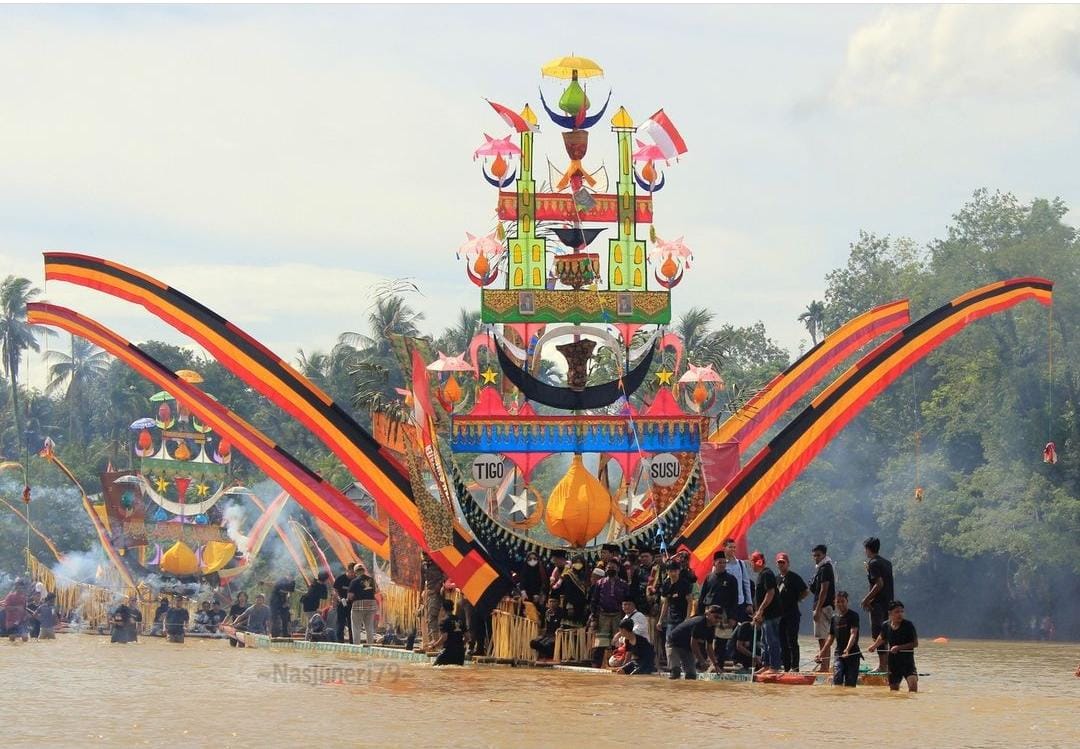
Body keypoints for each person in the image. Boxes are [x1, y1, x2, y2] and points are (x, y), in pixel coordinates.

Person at [697, 552, 739, 668]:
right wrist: (699, 615)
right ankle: (702, 664)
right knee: (704, 639)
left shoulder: (731, 579)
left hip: (724, 615)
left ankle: (719, 667)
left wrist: (733, 617)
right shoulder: (708, 577)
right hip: (708, 613)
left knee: (721, 641)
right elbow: (702, 597)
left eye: (724, 562)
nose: (722, 564)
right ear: (714, 563)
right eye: (719, 562)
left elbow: (734, 599)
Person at [868, 600, 918, 692]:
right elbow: (882, 637)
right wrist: (874, 646)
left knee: (913, 688)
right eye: (897, 612)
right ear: (890, 613)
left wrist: (898, 647)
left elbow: (915, 644)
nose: (900, 614)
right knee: (894, 691)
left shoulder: (908, 625)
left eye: (902, 611)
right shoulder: (885, 625)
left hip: (907, 662)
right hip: (893, 662)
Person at [860, 537, 894, 672]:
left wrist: (866, 599)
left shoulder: (873, 563)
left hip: (878, 604)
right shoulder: (887, 563)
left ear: (868, 549)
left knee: (878, 634)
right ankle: (888, 665)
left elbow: (879, 584)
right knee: (887, 633)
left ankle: (882, 666)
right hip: (889, 603)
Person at [589, 560, 630, 668]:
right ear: (606, 570)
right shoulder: (600, 583)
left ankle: (616, 664)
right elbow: (594, 600)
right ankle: (596, 665)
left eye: (613, 567)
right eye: (608, 567)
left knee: (617, 641)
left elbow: (627, 600)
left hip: (618, 615)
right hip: (603, 615)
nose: (610, 569)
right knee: (600, 643)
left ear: (618, 569)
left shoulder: (624, 584)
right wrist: (594, 616)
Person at [665, 605, 724, 680]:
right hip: (674, 644)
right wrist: (702, 661)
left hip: (687, 648)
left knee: (691, 676)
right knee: (675, 672)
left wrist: (716, 665)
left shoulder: (711, 628)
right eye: (716, 617)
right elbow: (693, 644)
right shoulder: (699, 623)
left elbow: (709, 648)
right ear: (707, 614)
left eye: (720, 618)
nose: (718, 620)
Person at [816, 590, 861, 687]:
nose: (840, 604)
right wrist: (821, 653)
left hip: (852, 653)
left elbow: (853, 633)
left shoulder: (853, 615)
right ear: (834, 603)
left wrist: (847, 649)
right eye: (838, 602)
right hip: (839, 653)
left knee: (850, 682)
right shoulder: (834, 618)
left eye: (843, 601)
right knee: (838, 675)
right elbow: (830, 638)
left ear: (847, 601)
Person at [750, 550, 783, 674]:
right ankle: (766, 664)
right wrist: (758, 613)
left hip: (771, 614)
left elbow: (770, 593)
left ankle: (775, 667)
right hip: (764, 615)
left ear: (758, 562)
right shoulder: (761, 575)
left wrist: (760, 610)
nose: (751, 565)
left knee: (772, 640)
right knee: (764, 641)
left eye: (752, 562)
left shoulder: (767, 573)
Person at [775, 552, 808, 671]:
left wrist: (797, 599)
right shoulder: (777, 578)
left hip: (792, 614)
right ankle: (787, 667)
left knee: (792, 640)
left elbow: (805, 591)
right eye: (779, 563)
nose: (781, 565)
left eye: (783, 562)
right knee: (782, 642)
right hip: (780, 615)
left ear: (788, 563)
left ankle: (795, 667)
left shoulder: (794, 577)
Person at [809, 544, 836, 672]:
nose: (816, 558)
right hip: (825, 606)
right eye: (814, 555)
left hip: (824, 607)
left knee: (822, 638)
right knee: (823, 638)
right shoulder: (822, 568)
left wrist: (818, 609)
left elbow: (824, 590)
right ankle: (825, 666)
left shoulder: (825, 568)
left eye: (818, 555)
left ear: (824, 555)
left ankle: (824, 668)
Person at [347, 561, 379, 646]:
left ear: (355, 572)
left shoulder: (354, 581)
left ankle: (356, 646)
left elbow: (350, 596)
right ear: (364, 571)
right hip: (371, 605)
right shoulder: (371, 580)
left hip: (358, 605)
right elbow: (376, 591)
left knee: (356, 627)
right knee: (369, 627)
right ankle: (370, 646)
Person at [552, 554, 590, 626]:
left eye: (580, 562)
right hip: (570, 605)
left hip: (580, 605)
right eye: (576, 562)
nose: (578, 564)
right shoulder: (568, 575)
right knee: (568, 627)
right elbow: (567, 591)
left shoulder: (584, 575)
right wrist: (569, 605)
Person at [722, 538, 754, 621]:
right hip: (725, 603)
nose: (733, 549)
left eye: (734, 547)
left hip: (740, 602)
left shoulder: (741, 564)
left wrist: (749, 603)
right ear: (724, 548)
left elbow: (746, 583)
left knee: (740, 629)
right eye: (730, 547)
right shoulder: (720, 564)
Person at [421, 553, 446, 650]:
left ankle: (436, 641)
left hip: (437, 593)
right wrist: (421, 593)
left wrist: (439, 586)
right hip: (428, 593)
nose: (425, 557)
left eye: (426, 554)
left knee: (432, 616)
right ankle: (434, 640)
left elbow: (445, 574)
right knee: (428, 618)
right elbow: (422, 580)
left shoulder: (438, 562)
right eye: (424, 555)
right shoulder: (423, 565)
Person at [432, 599, 468, 666]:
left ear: (442, 609)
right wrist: (460, 644)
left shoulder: (444, 621)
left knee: (434, 668)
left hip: (448, 651)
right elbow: (467, 637)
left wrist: (434, 646)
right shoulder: (460, 620)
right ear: (452, 608)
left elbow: (444, 637)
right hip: (460, 653)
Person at [530, 597, 564, 661]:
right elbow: (545, 625)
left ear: (558, 603)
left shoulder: (561, 612)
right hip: (547, 634)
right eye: (550, 602)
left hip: (557, 635)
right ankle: (541, 657)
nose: (552, 604)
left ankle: (549, 657)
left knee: (547, 644)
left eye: (554, 601)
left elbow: (562, 624)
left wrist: (560, 628)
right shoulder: (547, 612)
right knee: (533, 642)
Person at [332, 564, 357, 643]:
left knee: (352, 624)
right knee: (340, 624)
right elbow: (335, 591)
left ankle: (352, 642)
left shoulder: (356, 580)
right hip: (341, 604)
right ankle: (340, 641)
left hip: (353, 605)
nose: (352, 574)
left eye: (354, 572)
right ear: (347, 571)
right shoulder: (340, 579)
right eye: (351, 572)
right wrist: (338, 599)